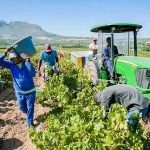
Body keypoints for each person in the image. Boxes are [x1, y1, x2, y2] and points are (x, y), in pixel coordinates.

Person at [0, 49, 36, 127]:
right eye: (11, 59)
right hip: (19, 92)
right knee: (22, 108)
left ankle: (30, 122)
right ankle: (29, 114)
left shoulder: (26, 64)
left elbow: (32, 74)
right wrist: (5, 53)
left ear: (19, 57)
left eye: (14, 58)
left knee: (30, 107)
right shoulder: (11, 65)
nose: (13, 60)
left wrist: (27, 61)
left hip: (30, 91)